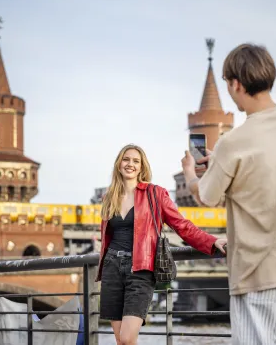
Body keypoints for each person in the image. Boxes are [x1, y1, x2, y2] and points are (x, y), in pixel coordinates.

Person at [181, 43, 276, 344]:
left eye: (228, 84)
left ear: (236, 84)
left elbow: (207, 196)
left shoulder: (232, 144)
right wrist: (226, 165)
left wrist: (191, 175)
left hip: (256, 272)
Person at [96, 144, 227, 345]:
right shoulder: (108, 197)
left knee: (127, 338)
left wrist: (212, 241)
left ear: (142, 167)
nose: (130, 164)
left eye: (135, 161)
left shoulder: (155, 194)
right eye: (126, 159)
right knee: (120, 341)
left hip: (140, 269)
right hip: (112, 268)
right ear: (118, 164)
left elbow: (181, 225)